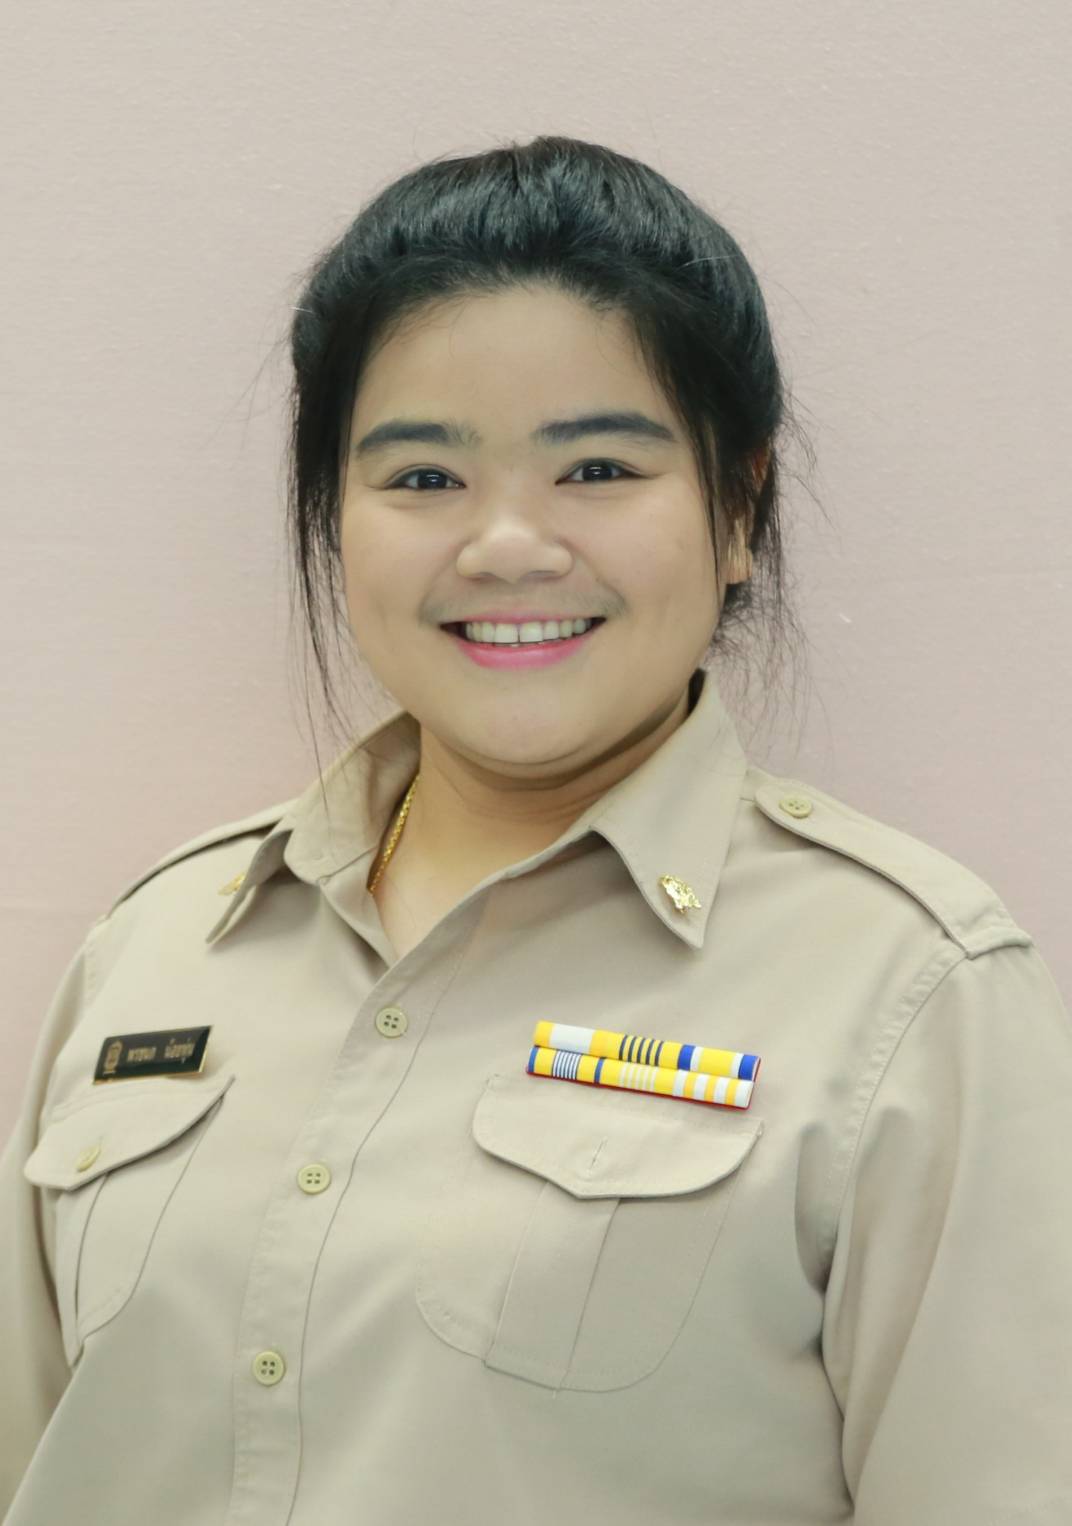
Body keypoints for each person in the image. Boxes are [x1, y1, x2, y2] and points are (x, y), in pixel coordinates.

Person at [1, 135, 1069, 1526]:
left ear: (737, 507)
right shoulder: (159, 945)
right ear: (334, 517)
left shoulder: (914, 991)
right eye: (422, 478)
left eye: (599, 468)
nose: (506, 545)